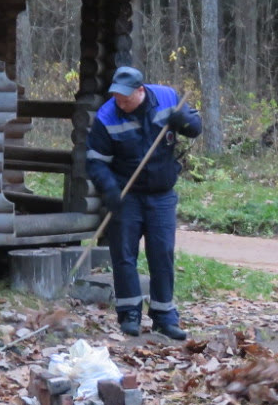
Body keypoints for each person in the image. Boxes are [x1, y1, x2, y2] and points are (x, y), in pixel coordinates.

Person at [87, 65, 204, 339]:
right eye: (118, 98)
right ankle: (129, 313)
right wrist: (109, 188)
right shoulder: (107, 116)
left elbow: (195, 128)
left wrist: (182, 121)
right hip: (125, 194)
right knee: (124, 254)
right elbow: (94, 161)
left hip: (161, 193)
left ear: (141, 90)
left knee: (162, 253)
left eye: (126, 98)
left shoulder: (167, 98)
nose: (121, 103)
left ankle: (164, 316)